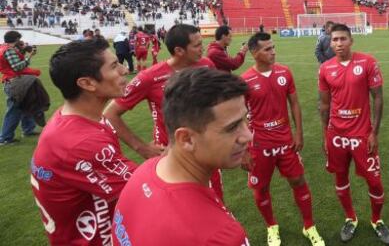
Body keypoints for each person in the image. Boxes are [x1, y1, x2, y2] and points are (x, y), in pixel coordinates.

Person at [111, 68, 251, 245]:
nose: (248, 136)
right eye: (232, 127)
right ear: (186, 139)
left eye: (244, 121)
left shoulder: (144, 172)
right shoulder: (218, 235)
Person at [31, 38, 137, 245]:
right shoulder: (81, 142)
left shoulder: (78, 118)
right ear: (87, 83)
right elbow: (147, 190)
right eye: (114, 66)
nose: (125, 71)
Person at [104, 24, 225, 200]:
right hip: (171, 155)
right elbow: (110, 113)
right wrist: (142, 148)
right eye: (197, 45)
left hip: (205, 148)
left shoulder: (207, 65)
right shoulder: (150, 77)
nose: (203, 48)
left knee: (215, 201)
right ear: (179, 50)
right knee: (181, 206)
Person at [241, 32, 325, 246]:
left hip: (286, 141)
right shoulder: (245, 81)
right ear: (254, 53)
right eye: (267, 49)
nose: (273, 52)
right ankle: (272, 226)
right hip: (259, 145)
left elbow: (294, 103)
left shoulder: (284, 73)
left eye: (273, 47)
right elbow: (238, 116)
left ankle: (309, 226)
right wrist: (243, 149)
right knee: (261, 188)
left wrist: (299, 133)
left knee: (298, 180)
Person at [318, 23, 389, 244]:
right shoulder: (325, 68)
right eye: (334, 40)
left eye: (342, 39)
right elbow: (324, 105)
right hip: (336, 135)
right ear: (330, 43)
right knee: (340, 177)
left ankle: (376, 220)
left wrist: (374, 132)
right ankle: (350, 218)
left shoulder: (367, 62)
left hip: (362, 135)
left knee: (375, 182)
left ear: (351, 40)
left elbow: (377, 97)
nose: (338, 43)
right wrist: (325, 135)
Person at [0, 31, 39, 144]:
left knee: (24, 105)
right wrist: (30, 56)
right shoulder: (9, 50)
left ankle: (28, 129)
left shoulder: (4, 48)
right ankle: (5, 138)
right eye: (19, 39)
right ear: (16, 39)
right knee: (14, 110)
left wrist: (23, 52)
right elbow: (17, 67)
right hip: (15, 82)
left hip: (14, 81)